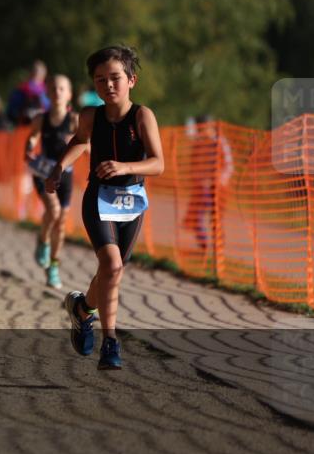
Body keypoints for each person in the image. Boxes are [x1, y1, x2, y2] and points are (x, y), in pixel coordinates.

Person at [45, 46, 164, 370]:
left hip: (132, 200)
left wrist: (125, 168)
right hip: (98, 198)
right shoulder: (89, 116)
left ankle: (83, 310)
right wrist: (59, 169)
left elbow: (158, 163)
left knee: (113, 270)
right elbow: (81, 142)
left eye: (115, 78)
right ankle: (110, 342)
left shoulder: (142, 116)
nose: (108, 86)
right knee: (111, 265)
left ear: (131, 80)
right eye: (100, 80)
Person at [25, 74, 78, 289]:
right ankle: (43, 241)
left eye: (62, 88)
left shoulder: (74, 120)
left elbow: (85, 142)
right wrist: (29, 147)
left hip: (65, 174)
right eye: (54, 88)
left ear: (69, 94)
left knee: (61, 222)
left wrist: (76, 143)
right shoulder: (41, 118)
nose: (57, 92)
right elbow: (32, 137)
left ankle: (53, 267)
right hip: (43, 172)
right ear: (47, 93)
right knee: (53, 211)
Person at [183, 114, 233, 254]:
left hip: (218, 188)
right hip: (202, 188)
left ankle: (218, 246)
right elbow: (194, 165)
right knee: (196, 217)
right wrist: (197, 179)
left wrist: (218, 181)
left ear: (210, 125)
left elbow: (229, 166)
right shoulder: (198, 143)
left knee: (216, 217)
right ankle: (204, 245)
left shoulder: (220, 142)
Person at [8, 60, 51, 125]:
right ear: (30, 72)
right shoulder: (21, 90)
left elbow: (51, 109)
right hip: (24, 126)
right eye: (35, 71)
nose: (37, 74)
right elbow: (11, 111)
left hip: (43, 126)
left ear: (45, 74)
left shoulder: (48, 91)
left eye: (40, 72)